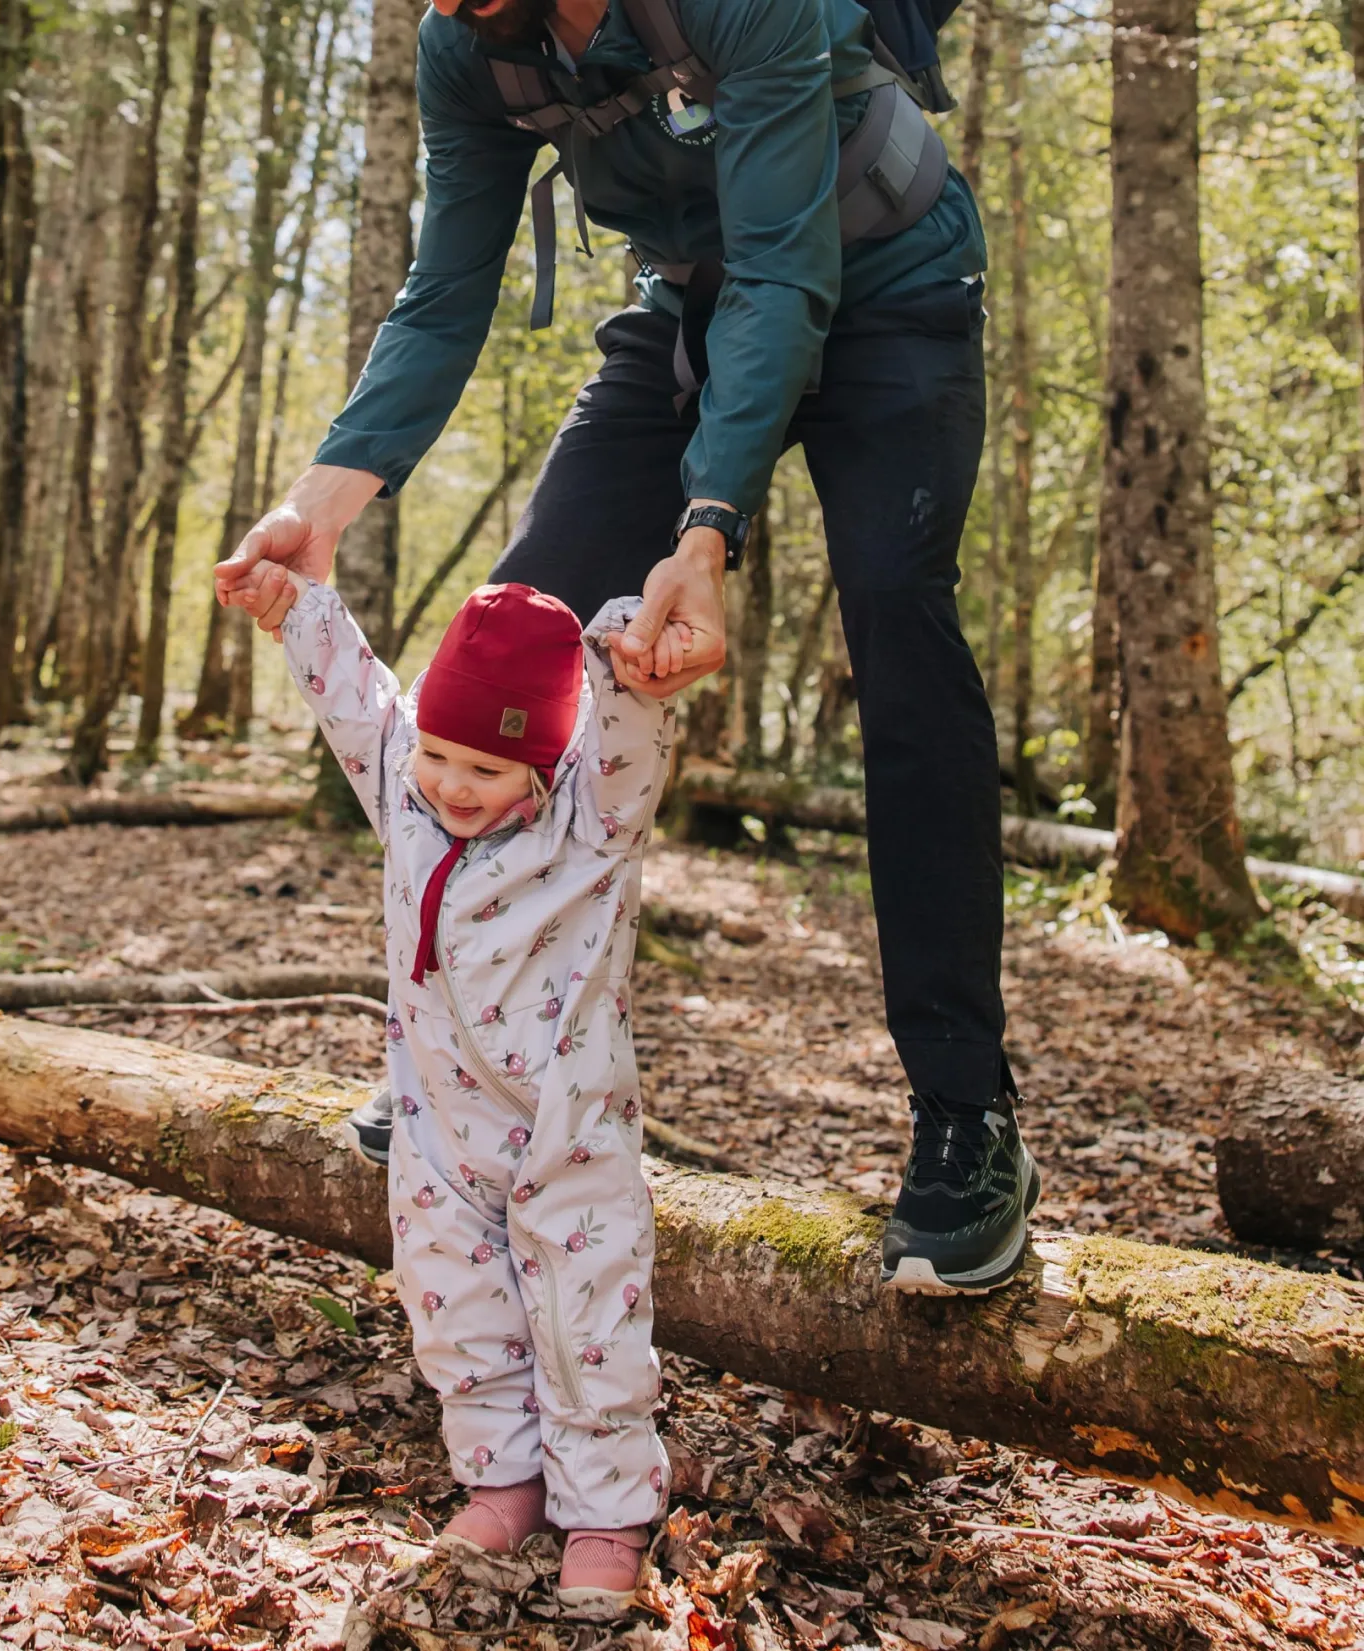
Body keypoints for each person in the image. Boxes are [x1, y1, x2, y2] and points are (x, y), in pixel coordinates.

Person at [215, 0, 1042, 1297]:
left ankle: (966, 1114)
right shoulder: (466, 44)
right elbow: (445, 291)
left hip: (892, 283)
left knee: (900, 622)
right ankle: (465, 1061)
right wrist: (320, 503)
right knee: (513, 643)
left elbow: (788, 269)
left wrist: (709, 524)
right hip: (700, 307)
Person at [233, 565, 688, 1614]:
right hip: (439, 1126)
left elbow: (627, 741)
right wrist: (294, 608)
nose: (450, 784)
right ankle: (503, 1479)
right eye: (438, 754)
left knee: (587, 1314)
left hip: (566, 1132)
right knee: (456, 1308)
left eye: (484, 767)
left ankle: (608, 1509)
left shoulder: (586, 833)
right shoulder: (405, 784)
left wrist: (633, 656)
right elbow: (356, 698)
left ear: (540, 762)